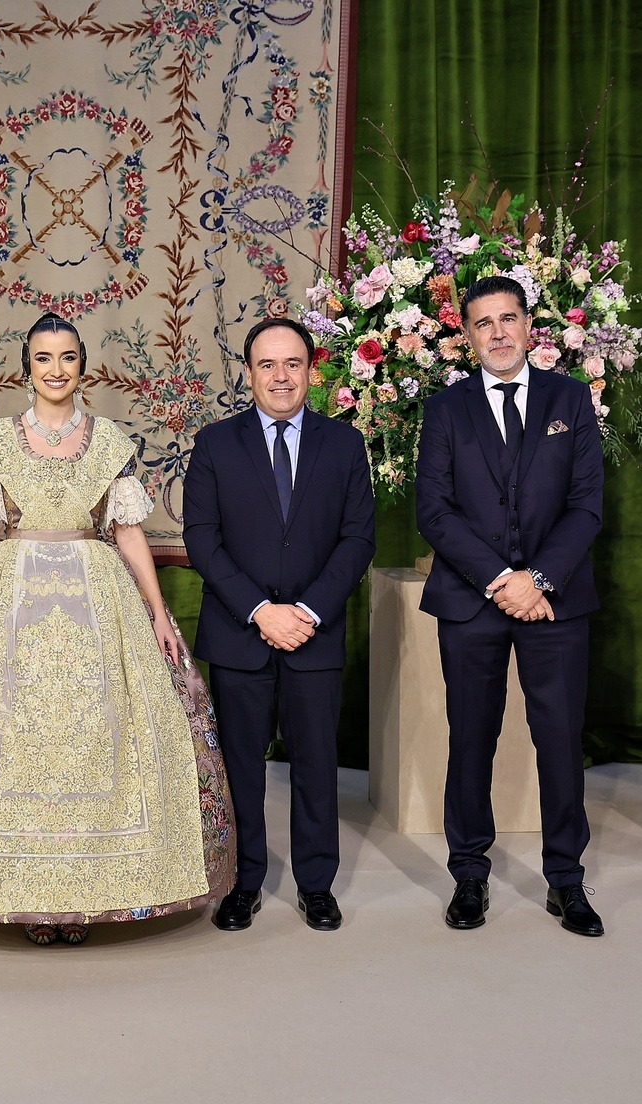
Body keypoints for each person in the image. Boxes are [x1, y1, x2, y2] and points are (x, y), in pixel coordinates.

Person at [0, 312, 234, 945]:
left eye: (67, 357)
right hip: (8, 595)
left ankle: (84, 899)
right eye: (44, 358)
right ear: (28, 369)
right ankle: (23, 898)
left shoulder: (108, 441)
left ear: (83, 367)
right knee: (13, 734)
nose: (56, 369)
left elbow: (128, 530)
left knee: (97, 734)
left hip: (97, 602)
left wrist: (158, 611)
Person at [416, 274, 606, 937]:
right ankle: (469, 875)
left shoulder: (571, 399)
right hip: (472, 603)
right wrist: (503, 578)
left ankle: (567, 881)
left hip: (557, 604)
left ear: (530, 326)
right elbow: (434, 510)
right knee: (472, 739)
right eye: (482, 323)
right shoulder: (444, 411)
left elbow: (586, 505)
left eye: (508, 319)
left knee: (558, 740)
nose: (497, 332)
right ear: (466, 338)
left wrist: (541, 580)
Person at [183, 316, 376, 933]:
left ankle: (317, 886)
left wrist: (309, 612)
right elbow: (202, 540)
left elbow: (357, 539)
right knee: (239, 764)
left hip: (315, 636)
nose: (281, 377)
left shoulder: (343, 444)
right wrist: (262, 611)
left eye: (293, 364)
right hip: (241, 634)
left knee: (317, 763)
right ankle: (242, 882)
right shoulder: (215, 444)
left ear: (312, 371)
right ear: (248, 374)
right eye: (267, 365)